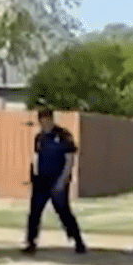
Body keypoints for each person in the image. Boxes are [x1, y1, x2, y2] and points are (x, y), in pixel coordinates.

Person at [23, 108, 86, 255]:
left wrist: (63, 180)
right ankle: (31, 242)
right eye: (41, 121)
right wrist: (34, 176)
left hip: (57, 180)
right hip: (42, 181)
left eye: (46, 120)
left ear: (51, 119)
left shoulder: (63, 135)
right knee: (35, 212)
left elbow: (70, 159)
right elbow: (36, 156)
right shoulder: (39, 137)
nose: (43, 124)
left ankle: (78, 241)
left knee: (64, 212)